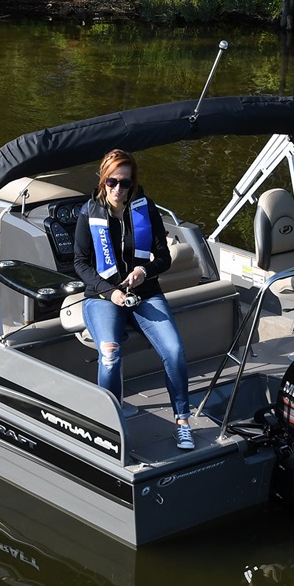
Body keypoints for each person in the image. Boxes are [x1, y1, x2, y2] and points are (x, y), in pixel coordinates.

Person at [72, 149, 195, 450]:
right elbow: (80, 263)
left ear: (133, 183)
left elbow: (163, 257)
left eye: (125, 183)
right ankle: (110, 426)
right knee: (109, 353)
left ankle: (182, 421)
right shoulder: (89, 212)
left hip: (145, 292)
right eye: (112, 182)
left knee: (174, 351)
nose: (118, 189)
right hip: (102, 296)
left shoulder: (145, 209)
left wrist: (144, 270)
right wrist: (109, 291)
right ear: (103, 180)